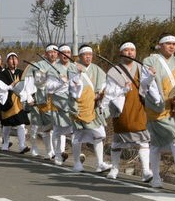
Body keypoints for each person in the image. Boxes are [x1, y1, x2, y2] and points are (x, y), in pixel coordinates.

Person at [141, 33, 175, 190]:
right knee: (168, 140)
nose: (171, 46)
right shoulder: (150, 61)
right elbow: (144, 85)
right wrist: (150, 77)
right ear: (160, 45)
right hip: (157, 110)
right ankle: (157, 177)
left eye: (174, 44)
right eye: (168, 43)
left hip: (174, 108)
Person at [102, 42, 152, 181]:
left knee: (143, 139)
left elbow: (149, 86)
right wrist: (122, 89)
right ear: (121, 52)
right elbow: (110, 92)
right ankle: (115, 168)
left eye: (132, 50)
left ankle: (146, 171)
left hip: (139, 106)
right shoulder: (114, 71)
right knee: (118, 140)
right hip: (121, 108)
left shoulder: (142, 68)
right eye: (127, 50)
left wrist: (152, 76)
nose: (130, 52)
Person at [72, 44, 111, 173]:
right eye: (85, 54)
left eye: (90, 54)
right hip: (80, 106)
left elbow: (104, 84)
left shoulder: (97, 70)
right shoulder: (73, 68)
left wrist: (100, 94)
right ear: (80, 56)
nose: (88, 57)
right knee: (78, 134)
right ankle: (77, 162)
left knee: (99, 135)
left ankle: (100, 163)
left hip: (94, 107)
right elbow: (72, 87)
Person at [23, 44, 58, 159]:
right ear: (46, 53)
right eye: (50, 52)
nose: (53, 54)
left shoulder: (61, 65)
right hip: (40, 100)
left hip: (56, 101)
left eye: (55, 52)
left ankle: (54, 152)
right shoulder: (39, 66)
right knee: (38, 126)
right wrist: (29, 96)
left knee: (54, 126)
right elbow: (38, 83)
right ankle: (39, 148)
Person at [47, 45, 79, 166]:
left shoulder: (74, 67)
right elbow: (49, 88)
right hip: (58, 103)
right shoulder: (53, 68)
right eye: (63, 52)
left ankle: (76, 157)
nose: (66, 55)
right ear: (59, 55)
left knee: (75, 131)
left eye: (68, 52)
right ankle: (58, 154)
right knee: (57, 130)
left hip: (72, 103)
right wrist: (60, 82)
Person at [0, 52, 30, 153]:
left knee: (21, 124)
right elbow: (0, 87)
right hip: (8, 101)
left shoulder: (21, 72)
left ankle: (22, 145)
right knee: (7, 124)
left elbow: (27, 85)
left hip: (19, 101)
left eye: (15, 59)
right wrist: (11, 86)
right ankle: (5, 143)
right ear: (7, 61)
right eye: (11, 59)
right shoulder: (2, 74)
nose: (13, 61)